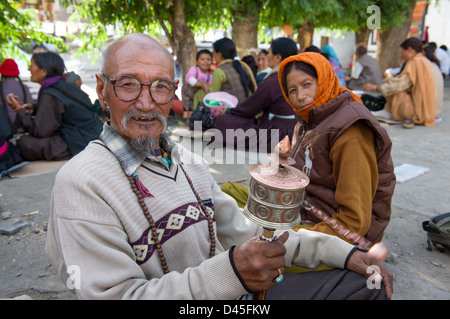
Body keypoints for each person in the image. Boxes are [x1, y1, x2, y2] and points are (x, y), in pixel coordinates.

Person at [45, 33, 393, 300]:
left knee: (365, 281)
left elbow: (249, 235)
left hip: (237, 293)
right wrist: (231, 272)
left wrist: (345, 253)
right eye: (129, 85)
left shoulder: (187, 161)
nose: (147, 103)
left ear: (175, 94)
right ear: (102, 90)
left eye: (161, 87)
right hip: (220, 293)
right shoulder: (81, 183)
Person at [277, 52, 395, 246]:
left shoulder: (351, 132)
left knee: (258, 247)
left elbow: (354, 222)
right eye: (292, 90)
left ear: (324, 80)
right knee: (231, 194)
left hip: (339, 234)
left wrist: (294, 235)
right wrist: (284, 159)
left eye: (307, 84)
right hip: (305, 209)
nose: (301, 96)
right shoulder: (310, 118)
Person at [6, 51, 103, 161]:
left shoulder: (50, 94)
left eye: (31, 65)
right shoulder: (66, 86)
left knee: (23, 142)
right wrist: (35, 108)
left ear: (43, 71)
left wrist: (18, 109)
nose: (28, 69)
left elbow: (40, 131)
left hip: (78, 142)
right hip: (93, 135)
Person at [215, 37, 298, 153]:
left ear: (278, 57)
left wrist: (229, 112)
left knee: (223, 120)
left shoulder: (275, 79)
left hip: (277, 133)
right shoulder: (298, 75)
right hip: (296, 131)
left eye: (269, 52)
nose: (268, 56)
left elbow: (251, 108)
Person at [364, 37, 436, 128]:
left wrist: (376, 88)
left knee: (394, 88)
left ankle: (388, 112)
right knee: (391, 83)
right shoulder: (422, 60)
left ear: (409, 50)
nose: (402, 56)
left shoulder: (414, 62)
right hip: (426, 110)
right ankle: (387, 111)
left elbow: (400, 85)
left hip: (416, 111)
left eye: (403, 53)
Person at [192, 38, 257, 110]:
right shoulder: (243, 66)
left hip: (234, 114)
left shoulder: (220, 71)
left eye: (213, 54)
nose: (213, 58)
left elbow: (211, 97)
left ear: (219, 54)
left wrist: (203, 86)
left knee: (199, 95)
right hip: (250, 110)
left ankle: (197, 121)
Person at [0, 58, 33, 132]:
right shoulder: (24, 88)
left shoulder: (1, 87)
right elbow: (31, 105)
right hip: (22, 128)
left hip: (4, 129)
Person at [181, 49, 213, 120]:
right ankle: (189, 123)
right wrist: (202, 85)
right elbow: (191, 80)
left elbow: (210, 87)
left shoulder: (209, 75)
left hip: (199, 96)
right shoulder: (194, 69)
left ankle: (198, 125)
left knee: (199, 110)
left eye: (208, 59)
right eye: (202, 59)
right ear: (197, 61)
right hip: (188, 94)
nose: (205, 61)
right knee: (188, 109)